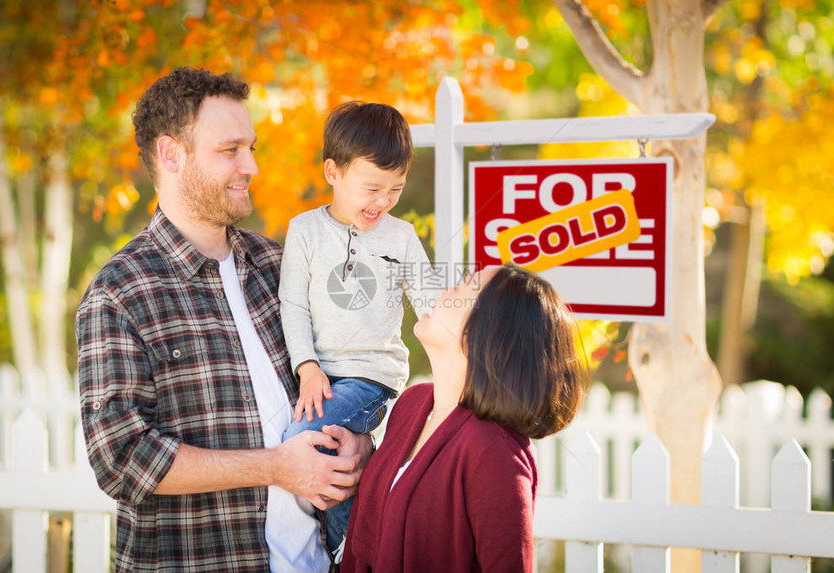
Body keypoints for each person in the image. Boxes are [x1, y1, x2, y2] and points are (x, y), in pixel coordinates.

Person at [76, 67, 372, 573]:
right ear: (171, 155)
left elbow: (348, 377)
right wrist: (276, 468)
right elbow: (122, 459)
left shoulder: (281, 266)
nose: (251, 166)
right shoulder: (120, 292)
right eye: (229, 150)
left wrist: (359, 442)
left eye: (251, 147)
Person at [340, 263, 587, 573]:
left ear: (488, 332)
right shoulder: (412, 403)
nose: (443, 292)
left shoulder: (495, 452)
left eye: (459, 291)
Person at [278, 101, 440, 558]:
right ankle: (350, 544)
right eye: (372, 188)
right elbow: (292, 305)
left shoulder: (401, 236)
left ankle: (350, 546)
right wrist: (308, 368)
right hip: (322, 377)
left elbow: (430, 302)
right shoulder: (304, 232)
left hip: (372, 379)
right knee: (314, 442)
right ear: (333, 172)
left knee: (302, 438)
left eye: (395, 189)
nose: (383, 202)